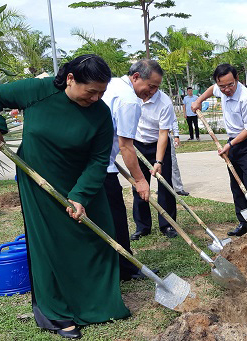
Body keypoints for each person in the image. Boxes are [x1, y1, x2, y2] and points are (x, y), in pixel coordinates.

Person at [0, 54, 130, 339]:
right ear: (71, 79)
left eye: (102, 92)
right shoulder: (38, 91)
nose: (97, 98)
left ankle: (98, 304)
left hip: (83, 186)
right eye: (91, 91)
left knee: (94, 240)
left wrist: (80, 195)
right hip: (39, 185)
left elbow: (99, 160)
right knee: (50, 244)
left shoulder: (100, 113)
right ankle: (56, 313)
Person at [101, 59, 162, 280]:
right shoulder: (130, 100)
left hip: (98, 160)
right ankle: (126, 268)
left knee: (105, 218)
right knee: (116, 217)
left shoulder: (113, 85)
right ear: (136, 77)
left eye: (157, 88)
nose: (152, 93)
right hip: (102, 168)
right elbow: (126, 146)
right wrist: (140, 181)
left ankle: (117, 265)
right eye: (151, 86)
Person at [191, 64, 247, 236]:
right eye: (222, 86)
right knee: (236, 184)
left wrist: (230, 146)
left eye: (230, 85)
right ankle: (243, 223)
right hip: (233, 141)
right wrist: (199, 100)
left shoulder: (246, 98)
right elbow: (211, 89)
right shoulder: (220, 88)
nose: (226, 89)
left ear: (237, 79)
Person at [133, 84, 179, 241]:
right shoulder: (132, 96)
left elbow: (163, 133)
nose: (151, 91)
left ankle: (167, 225)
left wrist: (158, 160)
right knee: (138, 185)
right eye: (149, 86)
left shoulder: (164, 102)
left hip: (159, 145)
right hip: (138, 144)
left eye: (154, 87)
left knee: (165, 185)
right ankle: (142, 227)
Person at [170, 111, 189, 196]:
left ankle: (178, 188)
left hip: (166, 136)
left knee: (173, 163)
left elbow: (173, 120)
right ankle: (162, 187)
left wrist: (176, 135)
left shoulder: (165, 101)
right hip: (150, 138)